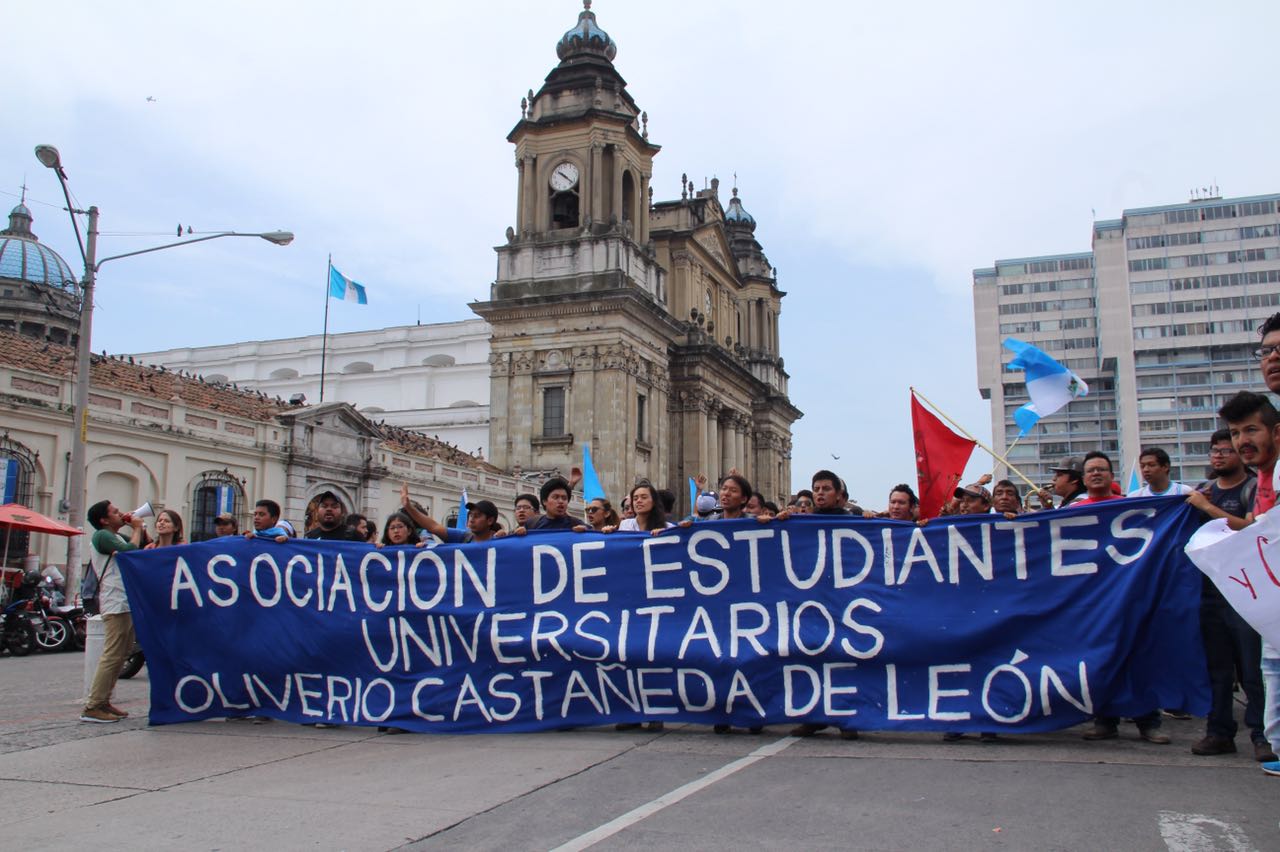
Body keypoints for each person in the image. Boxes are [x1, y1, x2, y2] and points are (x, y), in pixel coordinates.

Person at [1183, 429, 1271, 761]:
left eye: (1225, 450)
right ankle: (1219, 732)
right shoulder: (1202, 492)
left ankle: (1262, 734)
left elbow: (1253, 529)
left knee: (1252, 671)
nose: (1219, 456)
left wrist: (1207, 507)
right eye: (1214, 451)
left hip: (1245, 592)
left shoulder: (1252, 488)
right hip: (1209, 594)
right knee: (1217, 671)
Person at [1076, 451, 1169, 744]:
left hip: (1126, 596)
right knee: (1099, 660)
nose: (1096, 474)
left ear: (1111, 476)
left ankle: (1148, 722)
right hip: (1092, 601)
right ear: (1083, 478)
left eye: (1102, 469)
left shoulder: (1131, 508)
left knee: (1136, 658)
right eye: (1091, 470)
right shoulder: (1074, 511)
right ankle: (1105, 720)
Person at [1216, 384, 1280, 775]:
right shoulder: (1262, 481)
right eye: (1236, 433)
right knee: (1270, 670)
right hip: (1273, 610)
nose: (1242, 441)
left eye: (1251, 430)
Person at [791, 469, 859, 741]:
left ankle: (846, 716)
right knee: (810, 657)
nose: (820, 493)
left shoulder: (854, 522)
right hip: (812, 601)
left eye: (826, 489)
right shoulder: (800, 524)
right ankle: (813, 716)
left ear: (840, 496)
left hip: (842, 600)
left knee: (843, 658)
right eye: (816, 488)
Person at [80, 500, 145, 723]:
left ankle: (104, 701)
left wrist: (134, 527)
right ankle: (93, 705)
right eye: (115, 512)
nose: (120, 513)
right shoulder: (101, 536)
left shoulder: (115, 536)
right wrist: (135, 527)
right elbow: (131, 551)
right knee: (112, 654)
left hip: (124, 601)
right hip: (115, 602)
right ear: (104, 520)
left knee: (123, 651)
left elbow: (140, 544)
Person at [1128, 447, 1194, 498]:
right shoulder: (1135, 497)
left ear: (1165, 466)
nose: (1145, 470)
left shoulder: (1184, 492)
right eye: (1142, 466)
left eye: (1151, 465)